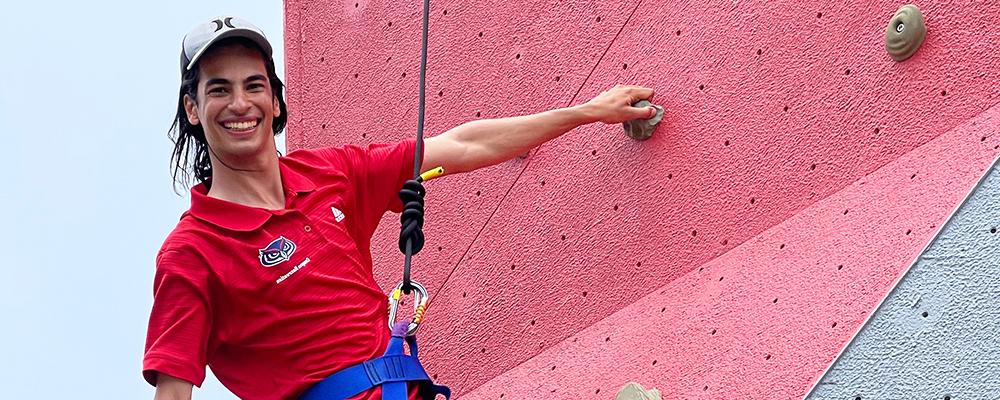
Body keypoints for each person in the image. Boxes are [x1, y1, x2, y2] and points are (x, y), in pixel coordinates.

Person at [144, 16, 659, 400]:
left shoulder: (328, 174)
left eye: (253, 85)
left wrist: (591, 112)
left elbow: (461, 146)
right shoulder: (193, 252)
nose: (240, 103)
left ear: (275, 102)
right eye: (219, 89)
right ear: (193, 108)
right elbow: (172, 392)